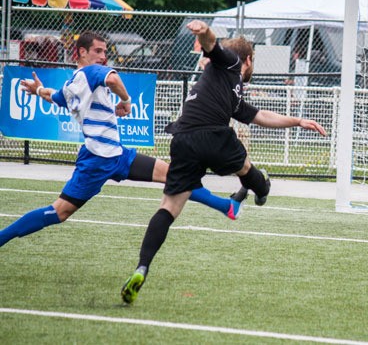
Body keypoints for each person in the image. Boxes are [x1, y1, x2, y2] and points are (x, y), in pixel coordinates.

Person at [121, 20, 328, 304]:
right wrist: (205, 31)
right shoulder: (230, 63)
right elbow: (212, 45)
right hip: (211, 134)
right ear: (249, 59)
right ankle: (262, 188)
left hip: (182, 139)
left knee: (169, 207)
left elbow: (260, 116)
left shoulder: (229, 89)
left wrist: (297, 121)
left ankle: (141, 268)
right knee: (244, 166)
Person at [0, 31, 239, 248]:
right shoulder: (91, 72)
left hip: (118, 154)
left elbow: (58, 97)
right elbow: (113, 80)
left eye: (105, 52)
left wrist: (39, 90)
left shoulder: (74, 81)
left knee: (175, 175)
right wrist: (126, 100)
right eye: (98, 51)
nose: (103, 56)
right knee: (59, 212)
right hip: (98, 160)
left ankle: (226, 207)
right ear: (81, 52)